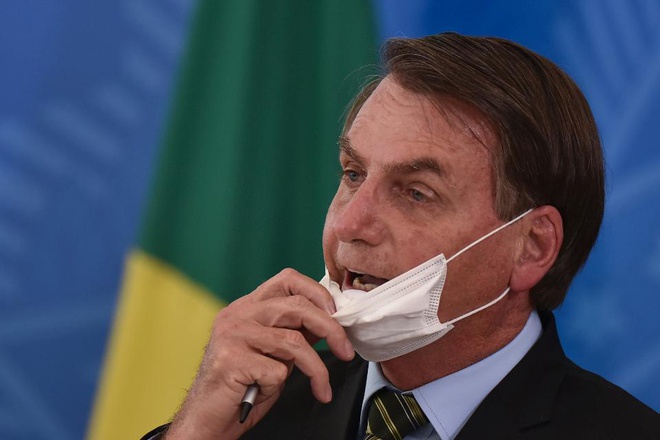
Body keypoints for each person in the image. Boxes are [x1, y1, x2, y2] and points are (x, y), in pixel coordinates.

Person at [143, 32, 659, 440]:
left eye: (416, 193)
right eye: (352, 174)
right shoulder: (256, 409)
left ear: (532, 246)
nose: (349, 226)